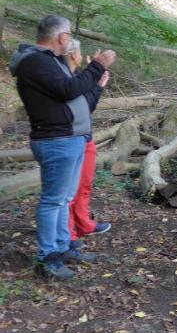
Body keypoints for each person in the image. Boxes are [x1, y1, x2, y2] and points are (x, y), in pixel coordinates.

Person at [9, 15, 115, 279]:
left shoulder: (53, 62)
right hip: (56, 141)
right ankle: (48, 258)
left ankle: (63, 246)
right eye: (69, 35)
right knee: (53, 200)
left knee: (65, 199)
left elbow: (79, 100)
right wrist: (97, 66)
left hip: (71, 139)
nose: (71, 39)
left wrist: (96, 84)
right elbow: (68, 89)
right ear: (62, 37)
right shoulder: (34, 61)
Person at [63, 39, 112, 250]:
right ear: (73, 55)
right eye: (80, 52)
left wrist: (98, 86)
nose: (82, 56)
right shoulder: (62, 80)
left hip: (85, 137)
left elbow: (86, 106)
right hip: (70, 139)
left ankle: (84, 224)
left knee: (83, 185)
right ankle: (68, 234)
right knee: (68, 191)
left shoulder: (76, 78)